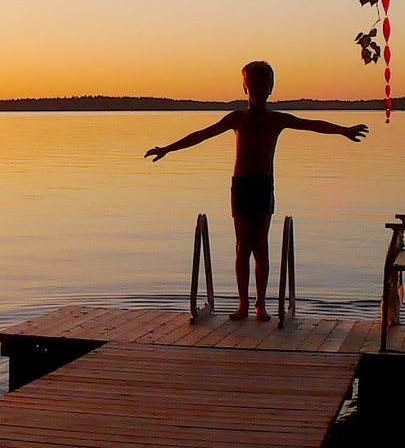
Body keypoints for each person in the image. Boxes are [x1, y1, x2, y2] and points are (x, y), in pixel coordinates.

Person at [146, 61, 368, 321]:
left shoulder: (277, 119)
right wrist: (167, 149)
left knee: (260, 246)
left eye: (263, 86)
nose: (258, 91)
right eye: (253, 86)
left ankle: (260, 304)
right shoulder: (237, 118)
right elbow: (202, 134)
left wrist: (344, 131)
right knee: (243, 246)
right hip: (241, 185)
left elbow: (312, 124)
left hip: (263, 184)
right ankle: (243, 303)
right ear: (245, 88)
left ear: (271, 88)